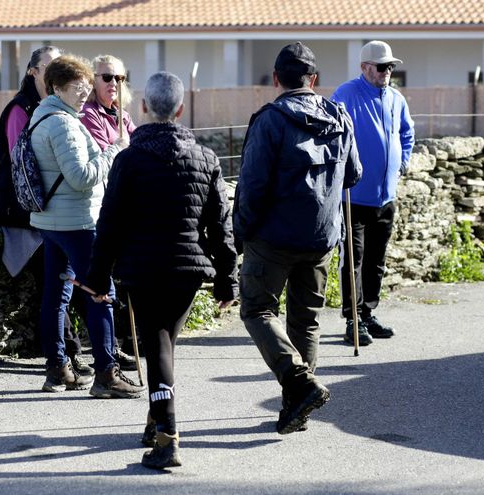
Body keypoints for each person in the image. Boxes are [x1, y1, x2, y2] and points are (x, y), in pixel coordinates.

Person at [88, 71, 238, 470]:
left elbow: (110, 223)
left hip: (143, 268)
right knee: (165, 345)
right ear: (181, 109)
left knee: (158, 350)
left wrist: (97, 277)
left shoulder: (129, 160)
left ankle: (167, 440)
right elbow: (221, 225)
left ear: (144, 108)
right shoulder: (206, 159)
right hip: (187, 269)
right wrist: (227, 278)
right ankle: (155, 420)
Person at [234, 42, 362, 435]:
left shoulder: (270, 120)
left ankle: (299, 383)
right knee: (305, 320)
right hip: (322, 235)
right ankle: (297, 406)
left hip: (273, 236)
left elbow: (252, 185)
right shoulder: (338, 115)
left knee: (256, 310)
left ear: (276, 79)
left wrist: (241, 232)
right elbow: (354, 173)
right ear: (314, 80)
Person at [29, 54, 142, 398]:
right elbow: (81, 178)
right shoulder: (63, 123)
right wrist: (113, 151)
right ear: (57, 87)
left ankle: (58, 370)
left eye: (85, 88)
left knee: (56, 295)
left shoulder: (42, 115)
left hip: (51, 221)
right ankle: (107, 374)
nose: (84, 94)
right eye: (77, 89)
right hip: (76, 222)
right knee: (101, 294)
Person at [0, 46, 93, 376]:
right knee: (57, 288)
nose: (55, 71)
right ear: (33, 72)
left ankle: (68, 357)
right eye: (49, 67)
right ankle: (66, 357)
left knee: (64, 286)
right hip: (26, 214)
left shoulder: (54, 109)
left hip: (48, 211)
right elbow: (28, 163)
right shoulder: (20, 110)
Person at [332, 40, 415, 346]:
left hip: (385, 196)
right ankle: (352, 319)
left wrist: (401, 163)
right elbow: (334, 133)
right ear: (365, 67)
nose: (387, 72)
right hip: (352, 196)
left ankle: (368, 314)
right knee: (352, 261)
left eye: (391, 67)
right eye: (382, 67)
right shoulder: (346, 94)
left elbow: (407, 133)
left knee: (376, 259)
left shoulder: (396, 98)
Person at [80, 54, 138, 370]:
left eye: (119, 77)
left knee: (123, 279)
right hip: (103, 207)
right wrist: (124, 147)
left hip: (126, 204)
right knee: (103, 284)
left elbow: (136, 150)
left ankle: (125, 342)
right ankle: (108, 349)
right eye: (106, 77)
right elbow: (112, 159)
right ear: (93, 81)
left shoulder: (122, 115)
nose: (113, 83)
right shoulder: (88, 115)